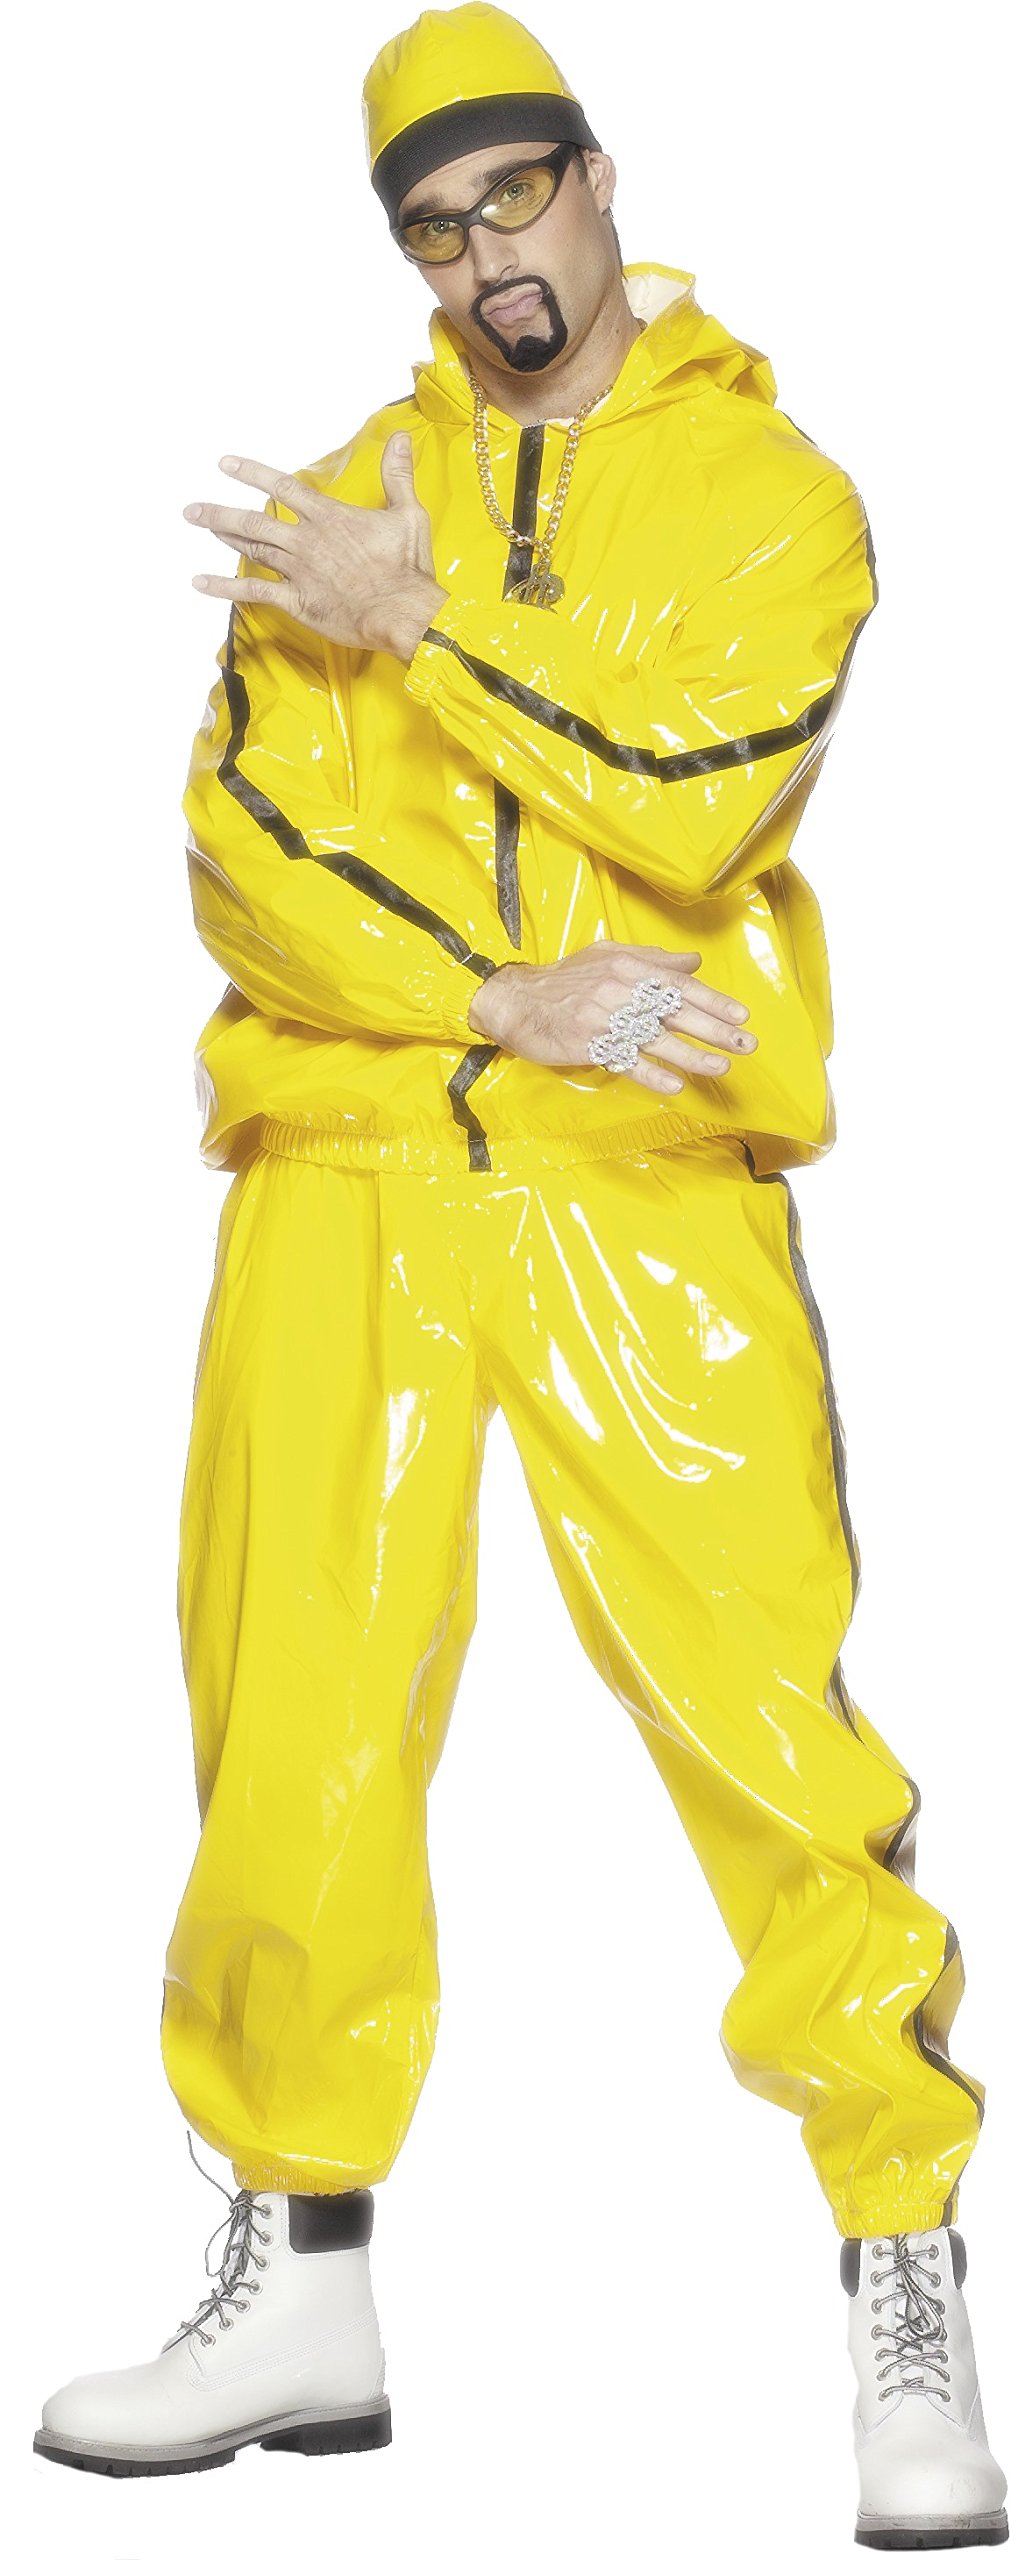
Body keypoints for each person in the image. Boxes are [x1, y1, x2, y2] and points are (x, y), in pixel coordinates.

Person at [34, 2, 1008, 2540]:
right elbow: (243, 855)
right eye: (429, 227)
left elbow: (696, 793)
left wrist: (429, 624)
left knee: (765, 1723)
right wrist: (492, 994)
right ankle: (297, 2263)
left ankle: (900, 2265)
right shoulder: (332, 505)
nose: (482, 261)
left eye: (510, 199)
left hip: (644, 1183)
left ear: (597, 180)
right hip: (350, 1169)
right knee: (290, 1720)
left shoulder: (769, 490)